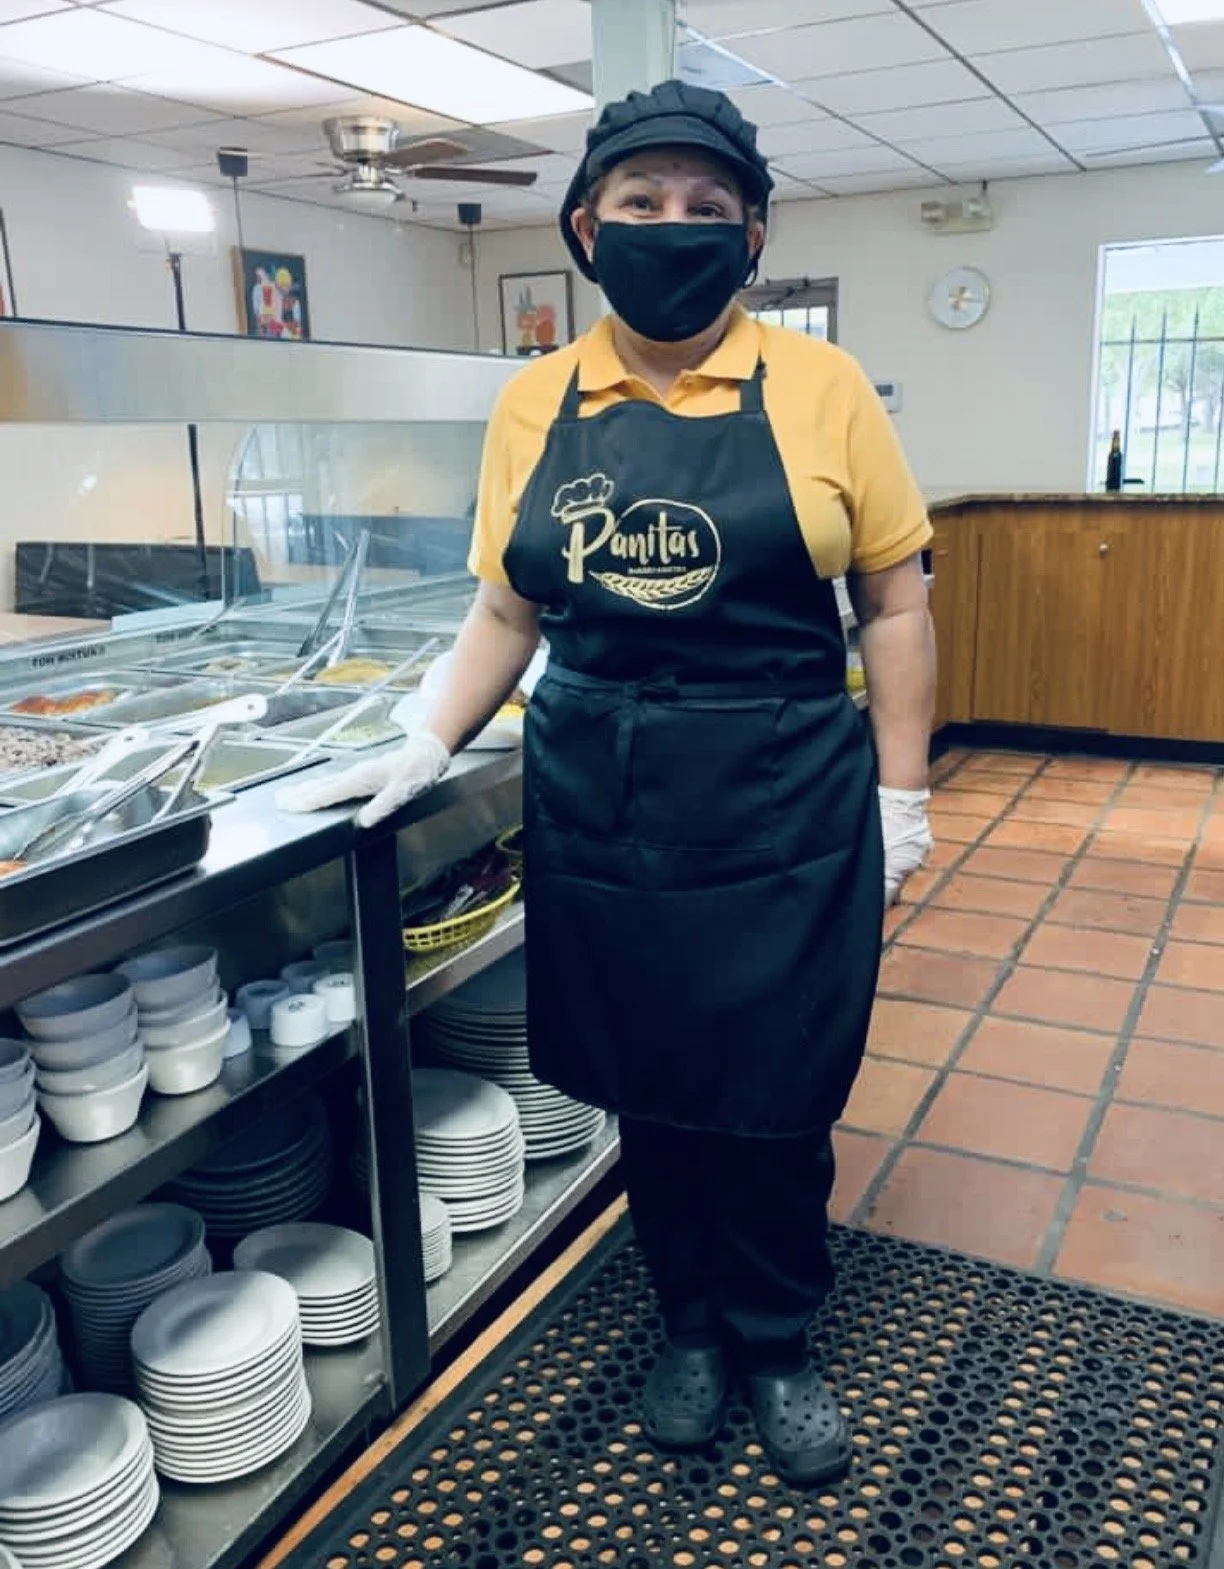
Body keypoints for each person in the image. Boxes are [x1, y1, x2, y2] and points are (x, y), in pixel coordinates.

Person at [280, 80, 936, 1486]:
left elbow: (895, 603)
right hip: (607, 800)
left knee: (775, 1088)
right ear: (587, 226)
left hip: (785, 799)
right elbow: (505, 617)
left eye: (709, 210)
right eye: (643, 204)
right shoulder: (537, 399)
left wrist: (901, 792)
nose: (672, 230)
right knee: (651, 1083)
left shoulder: (821, 389)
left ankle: (775, 1336)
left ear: (752, 239)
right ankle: (688, 1324)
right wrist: (422, 741)